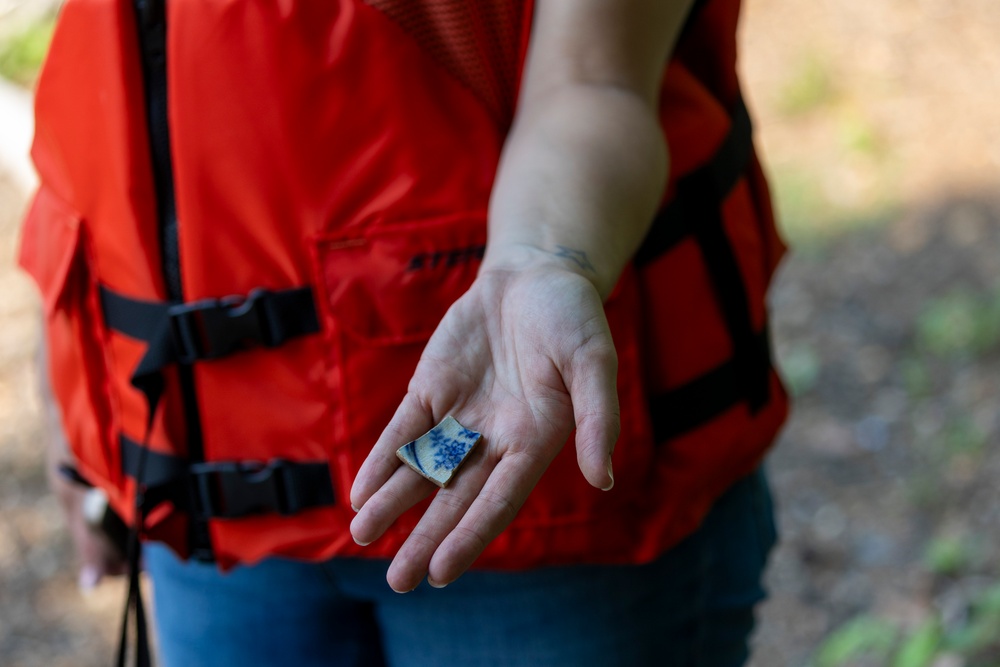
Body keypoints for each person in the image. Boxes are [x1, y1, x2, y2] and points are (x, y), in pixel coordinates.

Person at [21, 0, 789, 664]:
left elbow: (595, 75)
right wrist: (77, 366)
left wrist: (542, 259)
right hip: (207, 501)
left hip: (536, 515)